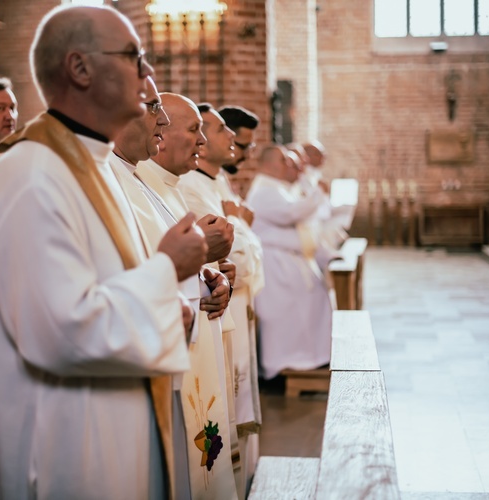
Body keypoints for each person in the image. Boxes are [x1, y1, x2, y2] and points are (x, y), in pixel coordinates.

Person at [0, 6, 209, 499]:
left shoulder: (96, 165)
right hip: (68, 450)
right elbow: (60, 330)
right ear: (79, 68)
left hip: (114, 424)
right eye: (133, 58)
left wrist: (180, 301)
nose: (148, 76)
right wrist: (169, 271)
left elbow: (108, 284)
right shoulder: (33, 173)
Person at [110, 77, 237, 499]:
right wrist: (199, 258)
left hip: (185, 335)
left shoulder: (145, 183)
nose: (160, 121)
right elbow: (132, 269)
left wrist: (211, 280)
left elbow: (171, 254)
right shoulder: (112, 180)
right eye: (152, 109)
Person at [177, 103, 265, 496]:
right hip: (208, 313)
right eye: (218, 129)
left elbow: (245, 252)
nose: (230, 136)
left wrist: (241, 228)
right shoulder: (192, 186)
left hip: (225, 307)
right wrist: (242, 225)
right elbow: (240, 257)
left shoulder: (215, 183)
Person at [245, 144, 333, 379]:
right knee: (283, 316)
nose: (292, 166)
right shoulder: (264, 190)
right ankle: (281, 364)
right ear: (272, 163)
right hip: (275, 265)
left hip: (288, 260)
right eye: (285, 161)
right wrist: (318, 193)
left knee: (309, 305)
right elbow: (291, 213)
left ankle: (309, 358)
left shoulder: (276, 187)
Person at [217, 105, 259, 200]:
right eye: (244, 147)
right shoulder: (193, 182)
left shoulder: (220, 176)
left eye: (250, 147)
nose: (248, 155)